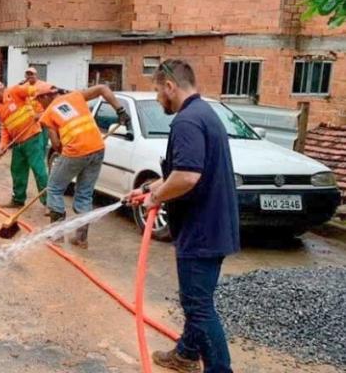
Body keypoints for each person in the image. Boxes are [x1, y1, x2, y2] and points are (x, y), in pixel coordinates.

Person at [126, 59, 239, 373]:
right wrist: (149, 188)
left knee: (198, 306)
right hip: (214, 226)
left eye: (158, 91)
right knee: (197, 299)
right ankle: (187, 354)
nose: (158, 98)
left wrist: (156, 198)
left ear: (170, 86)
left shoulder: (186, 121)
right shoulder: (204, 114)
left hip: (201, 230)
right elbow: (183, 171)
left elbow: (188, 176)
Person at [34, 83, 130, 246]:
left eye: (38, 100)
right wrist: (120, 111)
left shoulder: (48, 114)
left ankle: (57, 234)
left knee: (54, 187)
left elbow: (56, 144)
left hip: (75, 151)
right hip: (97, 148)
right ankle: (81, 238)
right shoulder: (75, 96)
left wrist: (60, 147)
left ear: (45, 97)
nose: (39, 104)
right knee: (85, 193)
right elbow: (103, 88)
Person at [0, 79, 49, 209]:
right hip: (18, 142)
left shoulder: (15, 91)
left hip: (32, 137)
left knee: (39, 171)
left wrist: (41, 111)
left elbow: (36, 90)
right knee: (17, 171)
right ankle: (18, 199)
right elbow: (4, 127)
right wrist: (3, 145)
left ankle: (50, 203)